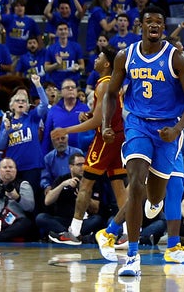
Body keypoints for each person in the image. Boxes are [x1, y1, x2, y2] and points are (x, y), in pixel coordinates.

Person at [101, 5, 184, 276]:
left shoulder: (176, 58)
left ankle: (153, 204)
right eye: (149, 22)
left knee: (154, 195)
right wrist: (105, 125)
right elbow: (111, 94)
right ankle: (133, 255)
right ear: (141, 26)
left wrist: (178, 128)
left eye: (159, 22)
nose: (154, 25)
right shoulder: (126, 56)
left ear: (164, 27)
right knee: (135, 184)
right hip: (137, 125)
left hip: (167, 131)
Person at [50, 48, 128, 245]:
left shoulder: (104, 85)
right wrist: (89, 114)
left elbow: (97, 123)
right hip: (118, 137)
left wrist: (65, 130)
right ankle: (130, 233)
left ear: (107, 64)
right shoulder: (112, 84)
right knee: (119, 186)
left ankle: (73, 232)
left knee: (85, 184)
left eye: (100, 57)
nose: (96, 59)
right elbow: (102, 114)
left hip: (105, 139)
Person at [38, 153, 104, 244]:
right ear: (71, 167)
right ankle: (70, 235)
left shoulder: (91, 182)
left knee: (97, 219)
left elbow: (95, 209)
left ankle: (65, 236)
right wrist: (62, 185)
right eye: (79, 165)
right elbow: (47, 201)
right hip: (62, 220)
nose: (83, 167)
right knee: (41, 218)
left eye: (84, 164)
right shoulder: (61, 179)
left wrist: (84, 196)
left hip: (82, 221)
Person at [0, 158, 35, 242]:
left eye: (11, 167)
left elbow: (30, 208)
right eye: (5, 167)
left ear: (15, 171)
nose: (8, 170)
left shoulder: (23, 185)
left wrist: (17, 197)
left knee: (25, 223)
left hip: (14, 223)